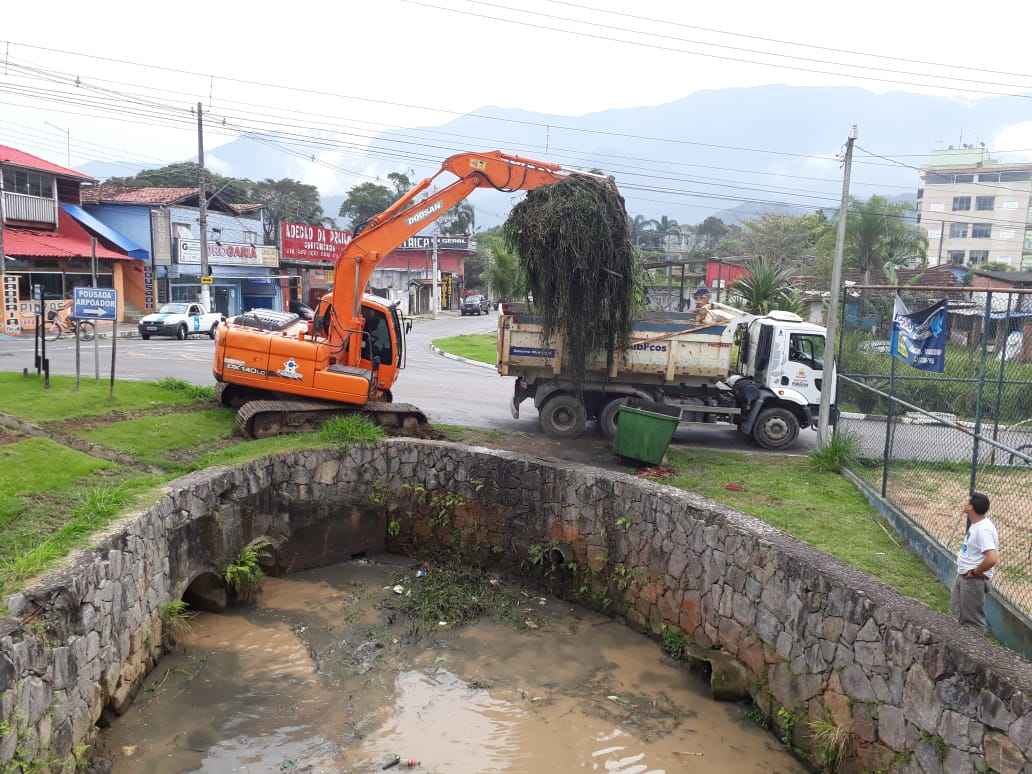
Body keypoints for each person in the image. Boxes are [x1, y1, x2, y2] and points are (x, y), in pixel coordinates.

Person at [952, 492, 999, 631]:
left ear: (971, 507)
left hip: (972, 580)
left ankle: (973, 648)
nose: (964, 504)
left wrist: (974, 573)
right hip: (965, 576)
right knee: (959, 613)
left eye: (967, 502)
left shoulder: (983, 529)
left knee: (972, 623)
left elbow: (992, 558)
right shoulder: (977, 524)